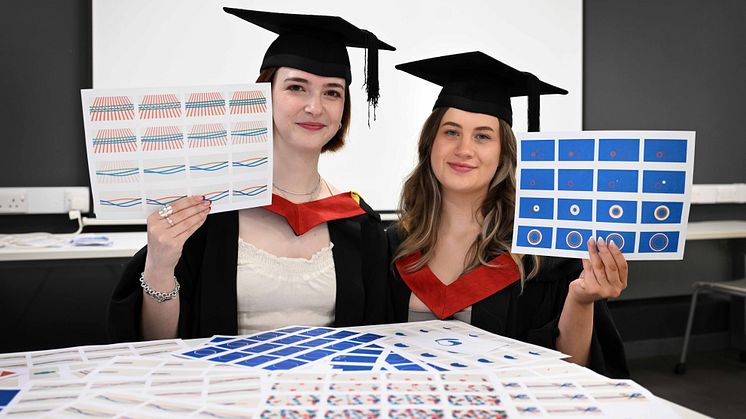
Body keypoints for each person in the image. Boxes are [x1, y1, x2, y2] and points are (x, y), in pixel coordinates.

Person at [108, 9, 395, 341]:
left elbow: (375, 342)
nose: (315, 106)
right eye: (297, 87)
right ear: (264, 95)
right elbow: (155, 347)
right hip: (222, 389)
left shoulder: (359, 226)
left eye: (332, 92)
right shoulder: (207, 214)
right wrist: (159, 266)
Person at [388, 51, 629, 378]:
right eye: (451, 132)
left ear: (503, 153)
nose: (464, 149)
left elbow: (572, 369)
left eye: (483, 136)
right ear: (430, 143)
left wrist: (581, 299)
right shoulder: (392, 246)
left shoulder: (539, 254)